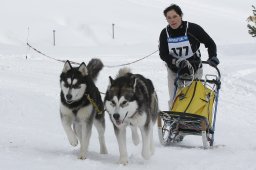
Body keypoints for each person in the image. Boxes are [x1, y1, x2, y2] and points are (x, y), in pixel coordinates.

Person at [159, 4, 219, 106]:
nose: (172, 20)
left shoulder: (193, 29)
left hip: (194, 68)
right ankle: (174, 120)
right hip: (174, 70)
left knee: (192, 98)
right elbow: (163, 54)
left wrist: (212, 56)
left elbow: (210, 43)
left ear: (181, 15)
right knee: (175, 99)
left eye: (175, 16)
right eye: (169, 18)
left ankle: (192, 120)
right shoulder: (165, 33)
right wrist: (175, 61)